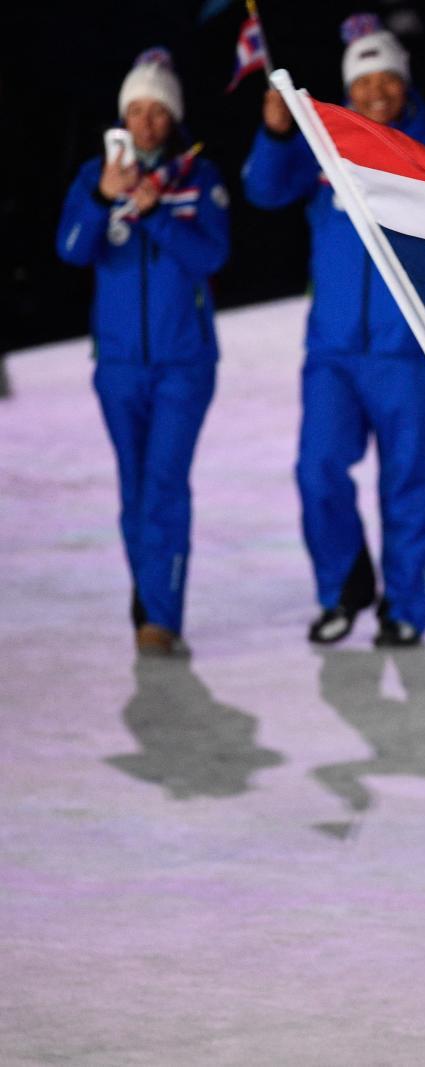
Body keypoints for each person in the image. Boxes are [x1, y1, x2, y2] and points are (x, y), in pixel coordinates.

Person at [242, 14, 425, 648]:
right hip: (333, 352)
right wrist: (275, 132)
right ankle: (341, 589)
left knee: (405, 479)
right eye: (364, 81)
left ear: (405, 83)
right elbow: (264, 189)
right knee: (318, 470)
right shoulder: (321, 145)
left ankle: (407, 605)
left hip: (408, 353)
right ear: (349, 88)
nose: (376, 92)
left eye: (387, 79)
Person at [56, 47, 230, 657]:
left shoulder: (198, 178)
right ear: (122, 118)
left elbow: (212, 259)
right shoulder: (94, 176)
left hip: (185, 364)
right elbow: (72, 250)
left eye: (158, 112)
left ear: (173, 117)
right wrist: (105, 199)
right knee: (133, 486)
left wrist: (155, 215)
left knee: (164, 482)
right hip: (120, 367)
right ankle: (148, 595)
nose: (147, 122)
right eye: (137, 110)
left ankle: (162, 617)